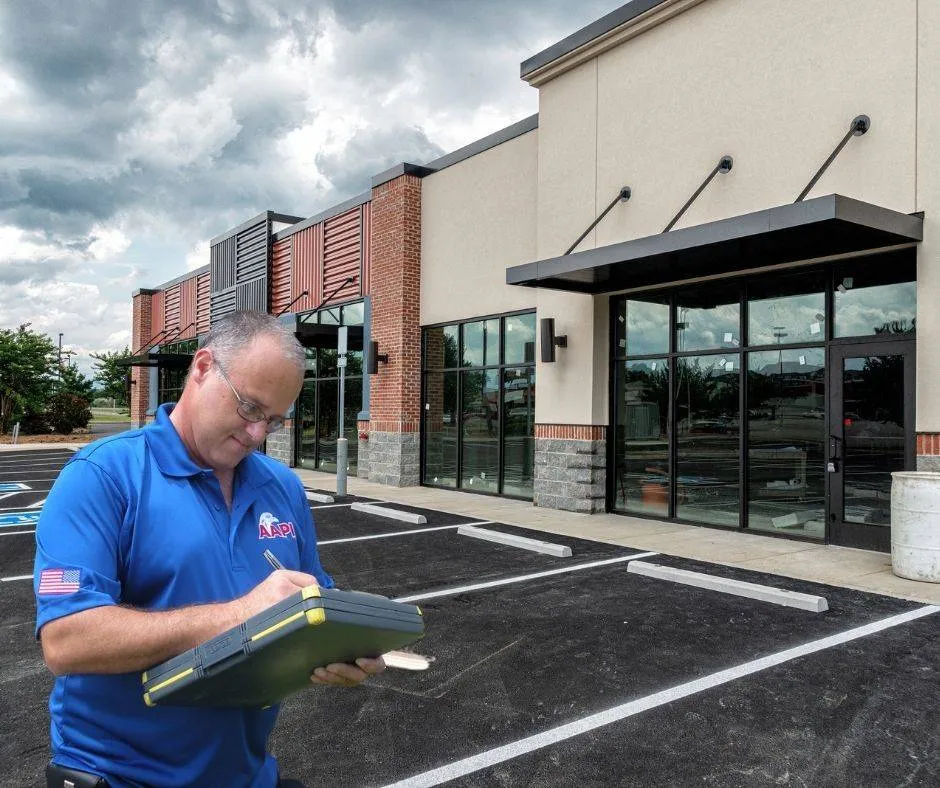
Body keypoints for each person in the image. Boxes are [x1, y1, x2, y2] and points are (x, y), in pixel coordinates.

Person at [33, 311, 384, 788]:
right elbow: (67, 641)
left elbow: (311, 603)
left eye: (276, 421)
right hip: (121, 778)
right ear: (201, 367)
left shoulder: (281, 487)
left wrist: (342, 646)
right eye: (249, 408)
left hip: (246, 773)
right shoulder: (102, 476)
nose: (258, 434)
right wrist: (243, 613)